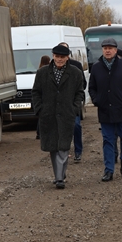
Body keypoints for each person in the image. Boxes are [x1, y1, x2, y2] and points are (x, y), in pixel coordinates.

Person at [32, 44, 84, 189]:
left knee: (63, 146)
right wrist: (40, 109)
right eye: (57, 56)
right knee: (53, 146)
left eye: (62, 57)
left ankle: (59, 178)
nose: (59, 59)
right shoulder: (42, 73)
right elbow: (36, 92)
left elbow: (80, 92)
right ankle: (59, 174)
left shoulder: (75, 73)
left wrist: (74, 108)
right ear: (53, 56)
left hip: (67, 114)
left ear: (67, 57)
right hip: (48, 114)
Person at [88, 38, 122, 182]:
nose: (108, 50)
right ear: (102, 50)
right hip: (105, 110)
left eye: (110, 48)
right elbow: (92, 87)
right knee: (108, 141)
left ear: (116, 50)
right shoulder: (97, 67)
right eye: (105, 48)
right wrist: (96, 99)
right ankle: (109, 170)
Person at [59, 42, 87, 162]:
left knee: (75, 126)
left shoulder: (76, 66)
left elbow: (83, 83)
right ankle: (62, 152)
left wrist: (77, 98)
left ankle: (78, 152)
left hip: (73, 104)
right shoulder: (53, 67)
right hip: (59, 105)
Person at [36, 55, 52, 140]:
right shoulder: (45, 71)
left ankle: (39, 133)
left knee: (41, 118)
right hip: (45, 96)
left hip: (42, 97)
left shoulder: (39, 69)